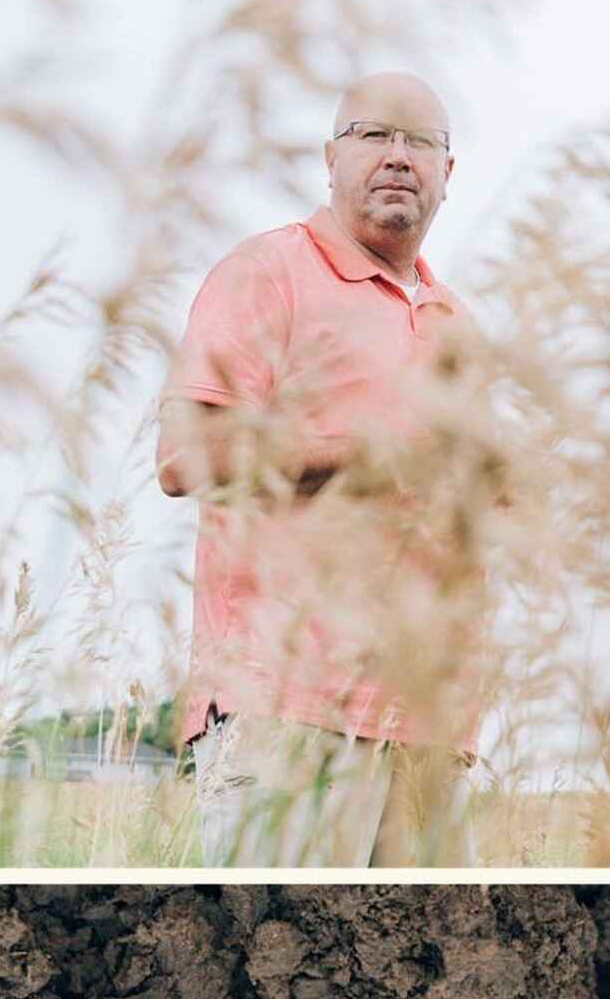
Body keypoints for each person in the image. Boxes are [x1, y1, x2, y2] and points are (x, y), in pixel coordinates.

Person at [156, 70, 488, 867]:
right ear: (329, 160)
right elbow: (183, 457)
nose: (398, 157)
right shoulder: (269, 272)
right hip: (286, 717)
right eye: (374, 135)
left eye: (421, 142)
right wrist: (365, 454)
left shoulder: (457, 323)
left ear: (449, 174)